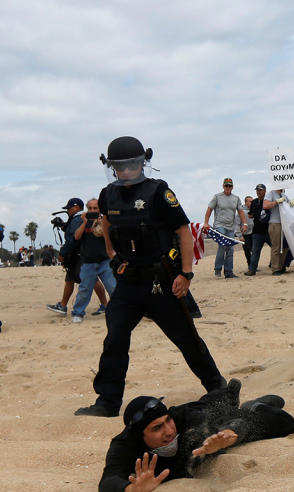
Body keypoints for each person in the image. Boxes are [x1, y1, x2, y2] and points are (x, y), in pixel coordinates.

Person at [75, 137, 227, 417]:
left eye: (132, 164)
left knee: (185, 337)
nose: (127, 171)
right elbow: (106, 222)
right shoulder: (108, 194)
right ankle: (107, 402)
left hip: (161, 281)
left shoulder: (159, 192)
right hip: (127, 283)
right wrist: (112, 255)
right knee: (115, 339)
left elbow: (182, 230)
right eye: (120, 166)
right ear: (112, 167)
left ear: (142, 163)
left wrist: (186, 274)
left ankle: (217, 387)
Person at [97, 381, 294, 492]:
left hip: (208, 424)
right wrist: (132, 490)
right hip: (193, 437)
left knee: (285, 424)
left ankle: (249, 404)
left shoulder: (186, 421)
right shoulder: (125, 445)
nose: (168, 431)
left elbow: (231, 426)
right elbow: (108, 482)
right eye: (157, 428)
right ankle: (238, 400)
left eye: (168, 421)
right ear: (140, 435)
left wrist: (228, 436)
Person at [47, 198, 107, 315]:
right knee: (69, 279)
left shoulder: (78, 219)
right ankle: (63, 305)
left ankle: (105, 304)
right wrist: (64, 226)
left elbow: (73, 239)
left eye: (68, 209)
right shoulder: (78, 219)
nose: (67, 211)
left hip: (80, 256)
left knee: (92, 279)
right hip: (78, 255)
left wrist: (62, 253)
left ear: (76, 207)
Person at [70, 198, 117, 323]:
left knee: (113, 286)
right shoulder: (83, 222)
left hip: (105, 261)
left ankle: (120, 310)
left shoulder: (105, 222)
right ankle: (78, 312)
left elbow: (111, 237)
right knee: (85, 289)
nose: (92, 210)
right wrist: (85, 222)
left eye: (95, 208)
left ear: (100, 209)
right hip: (88, 262)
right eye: (90, 208)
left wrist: (102, 222)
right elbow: (76, 236)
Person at [202, 178, 248, 279]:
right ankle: (217, 269)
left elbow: (240, 212)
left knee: (230, 249)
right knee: (222, 246)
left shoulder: (236, 198)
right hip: (219, 225)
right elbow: (209, 209)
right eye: (226, 185)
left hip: (230, 227)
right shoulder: (217, 197)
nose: (228, 187)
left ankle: (228, 272)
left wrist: (245, 223)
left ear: (232, 187)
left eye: (229, 186)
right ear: (223, 186)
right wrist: (206, 223)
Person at [263, 187, 290, 275]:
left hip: (284, 224)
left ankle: (281, 266)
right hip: (275, 223)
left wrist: (292, 203)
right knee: (276, 247)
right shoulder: (271, 193)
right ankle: (275, 268)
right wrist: (276, 202)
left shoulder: (284, 195)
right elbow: (265, 205)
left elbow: (290, 207)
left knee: (285, 246)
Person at [245, 184, 269, 275]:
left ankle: (277, 267)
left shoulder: (268, 201)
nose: (258, 191)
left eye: (260, 190)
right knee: (255, 251)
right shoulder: (254, 202)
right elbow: (250, 215)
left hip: (268, 231)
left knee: (275, 249)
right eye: (257, 190)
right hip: (257, 231)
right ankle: (252, 270)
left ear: (265, 191)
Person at [240, 195, 254, 269]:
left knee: (254, 250)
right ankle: (250, 265)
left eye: (252, 201)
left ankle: (253, 265)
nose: (252, 203)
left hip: (253, 233)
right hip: (245, 234)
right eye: (250, 201)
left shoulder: (254, 210)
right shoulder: (241, 212)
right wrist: (240, 236)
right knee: (247, 251)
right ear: (246, 202)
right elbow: (236, 224)